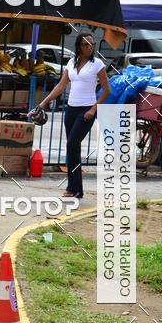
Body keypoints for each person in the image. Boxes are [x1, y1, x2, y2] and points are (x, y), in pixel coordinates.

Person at [36, 32, 110, 199]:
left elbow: (106, 90)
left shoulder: (97, 64)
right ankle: (76, 190)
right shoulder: (71, 63)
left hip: (86, 110)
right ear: (78, 46)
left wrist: (93, 109)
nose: (89, 47)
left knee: (72, 144)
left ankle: (73, 187)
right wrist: (44, 102)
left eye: (92, 44)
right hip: (71, 109)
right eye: (86, 45)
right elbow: (61, 86)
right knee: (72, 149)